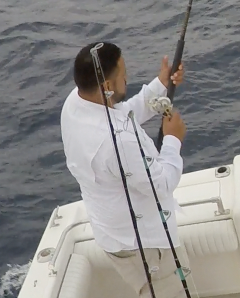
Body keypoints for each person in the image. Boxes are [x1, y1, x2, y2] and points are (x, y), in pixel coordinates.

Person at [61, 42, 190, 298]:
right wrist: (173, 139)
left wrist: (160, 85)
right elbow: (162, 184)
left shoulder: (77, 102)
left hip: (115, 235)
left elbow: (121, 112)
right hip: (146, 247)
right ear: (107, 87)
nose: (127, 78)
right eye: (123, 75)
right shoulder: (117, 142)